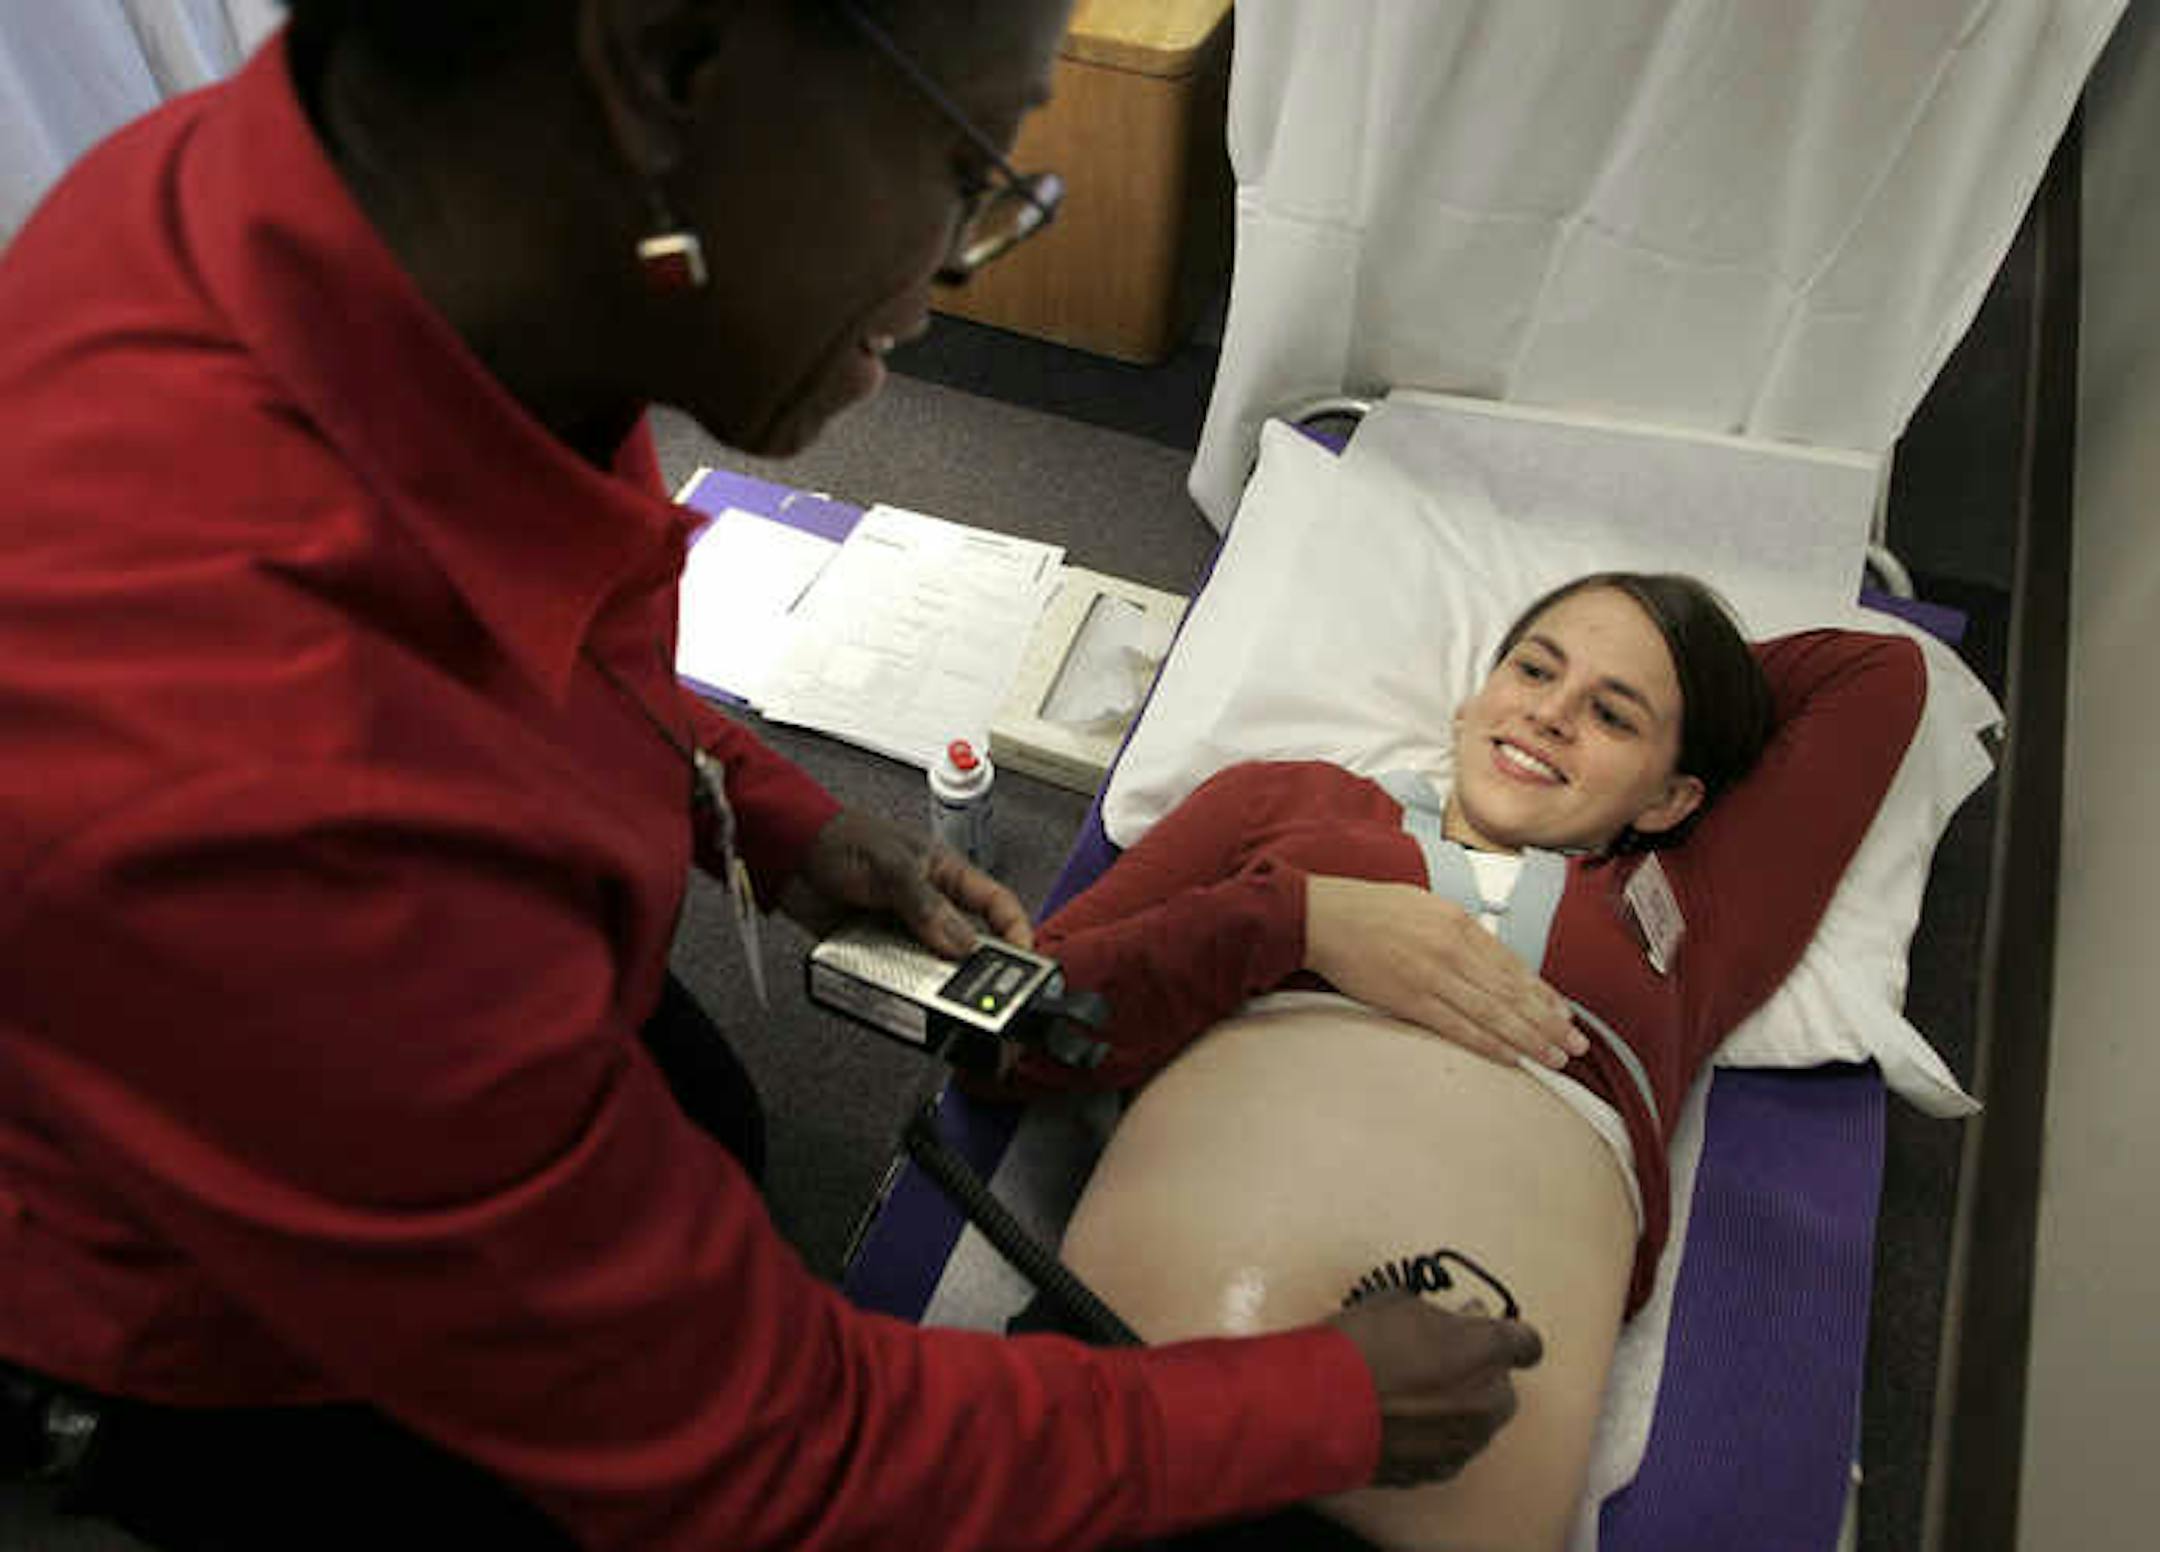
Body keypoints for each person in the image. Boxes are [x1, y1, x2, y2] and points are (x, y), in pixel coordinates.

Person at [0, 2, 1544, 1550]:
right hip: (250, 1350)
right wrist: (1327, 1405)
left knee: (713, 1122)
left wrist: (783, 824)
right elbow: (769, 1459)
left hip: (390, 1005)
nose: (946, 284)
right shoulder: (274, 792)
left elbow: (552, 635)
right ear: (669, 68)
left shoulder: (388, 218)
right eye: (961, 167)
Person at [972, 573, 1927, 1550]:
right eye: (1532, 669)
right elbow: (995, 1026)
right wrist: (1294, 922)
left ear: (1675, 794)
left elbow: (1876, 673)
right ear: (1473, 695)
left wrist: (1686, 680)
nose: (1549, 714)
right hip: (1123, 1434)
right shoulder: (1281, 802)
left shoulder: (1693, 916)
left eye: (1610, 713)